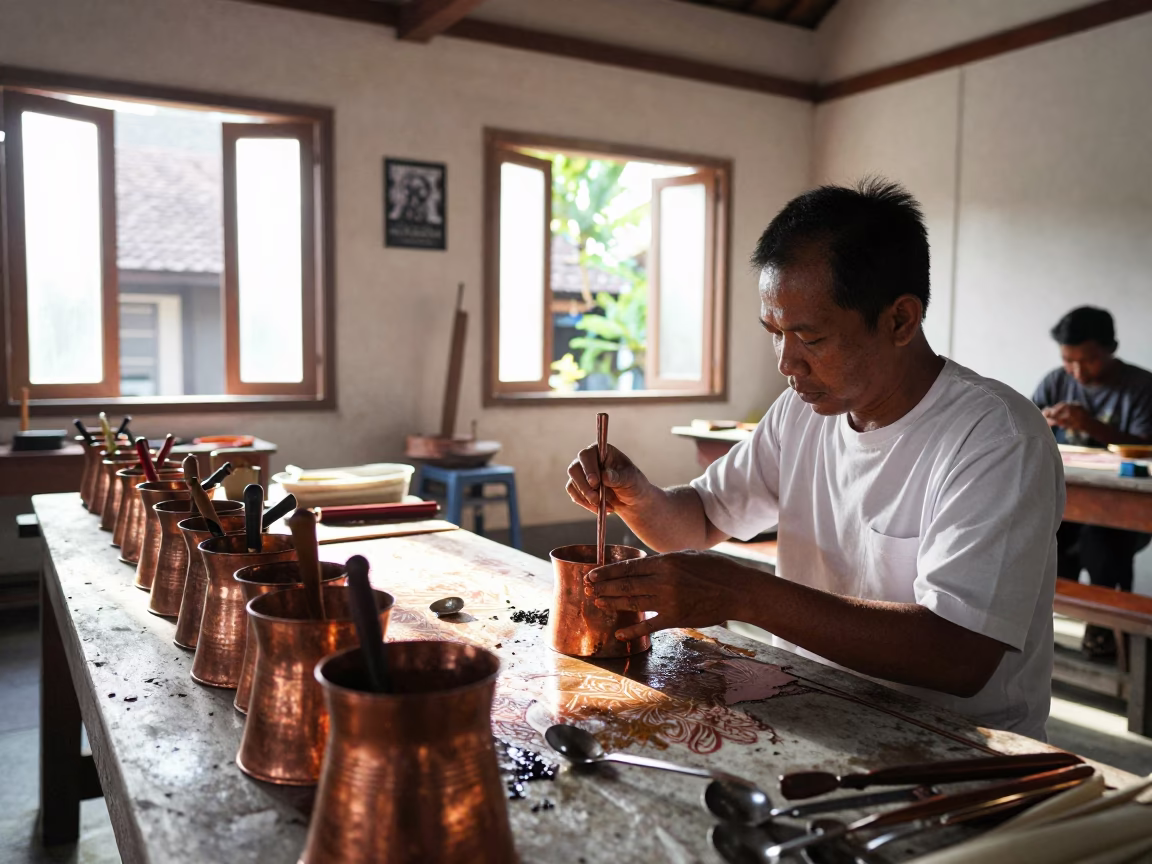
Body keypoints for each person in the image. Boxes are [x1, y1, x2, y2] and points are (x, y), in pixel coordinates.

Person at [566, 180, 1063, 741]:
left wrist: (744, 594)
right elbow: (699, 520)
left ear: (900, 320)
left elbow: (958, 655)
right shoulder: (802, 412)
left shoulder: (995, 436)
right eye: (775, 333)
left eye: (811, 337)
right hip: (814, 713)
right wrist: (638, 498)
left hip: (959, 747)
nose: (787, 363)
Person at [1033, 306, 1152, 657]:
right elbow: (1024, 427)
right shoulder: (1056, 381)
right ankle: (1043, 624)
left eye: (1088, 360)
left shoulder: (1141, 387)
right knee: (1042, 533)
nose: (1077, 371)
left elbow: (1146, 449)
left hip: (1123, 513)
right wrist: (1043, 420)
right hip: (1067, 501)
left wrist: (1090, 425)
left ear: (1110, 348)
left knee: (1101, 543)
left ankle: (1103, 629)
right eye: (1068, 360)